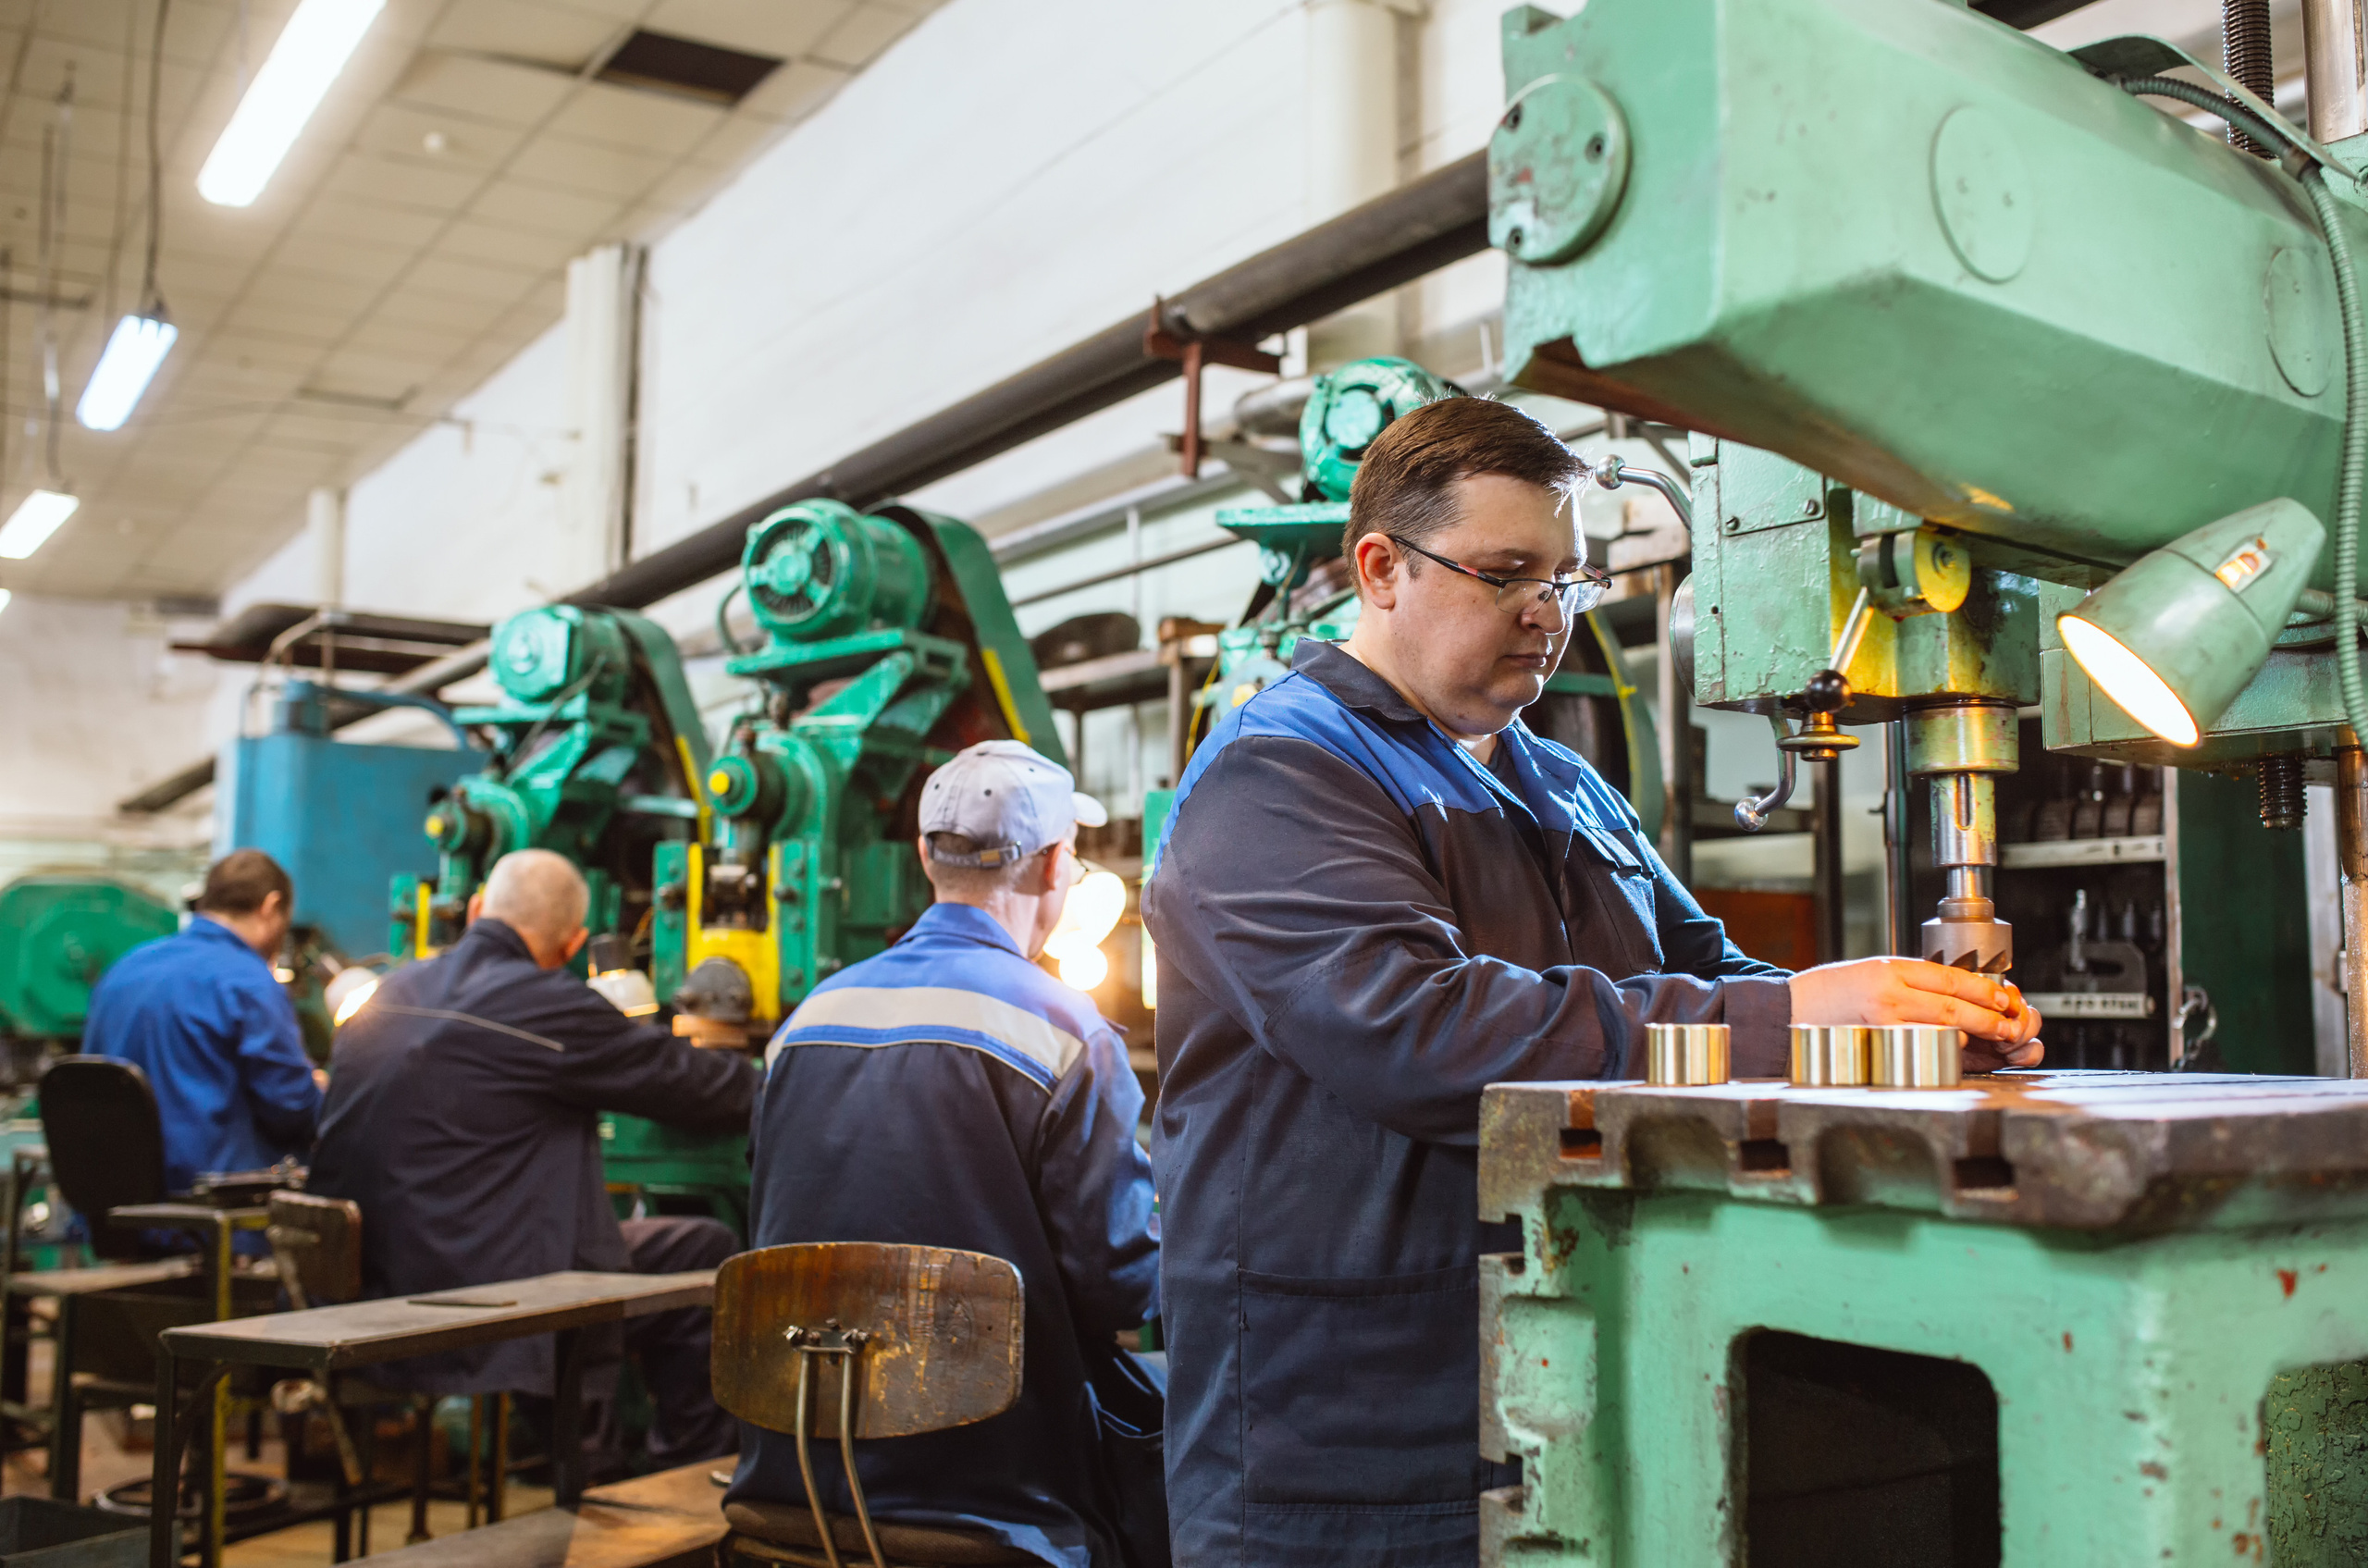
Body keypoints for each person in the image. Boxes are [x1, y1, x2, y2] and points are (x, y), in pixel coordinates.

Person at [1141, 395, 2045, 1566]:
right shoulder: (1278, 776)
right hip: (1354, 1448)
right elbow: (1425, 1038)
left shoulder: (1560, 778)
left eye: (1565, 580)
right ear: (1380, 568)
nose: (1546, 614)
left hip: (1571, 1384)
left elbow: (1703, 972)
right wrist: (1794, 1013)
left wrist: (1889, 1026)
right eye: (1507, 573)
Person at [728, 741, 1163, 1568]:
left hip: (793, 1480)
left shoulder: (805, 1022)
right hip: (1002, 1499)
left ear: (927, 855)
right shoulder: (1066, 1033)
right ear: (1055, 868)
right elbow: (1123, 1282)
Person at [308, 848, 757, 1470]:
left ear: (473, 909)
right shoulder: (547, 1005)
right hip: (483, 1291)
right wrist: (784, 1075)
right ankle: (658, 1489)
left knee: (612, 1242)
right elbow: (692, 1084)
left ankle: (593, 1461)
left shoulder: (387, 993)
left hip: (373, 1278)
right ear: (573, 943)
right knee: (705, 1250)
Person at [84, 848, 321, 1193]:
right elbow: (292, 1109)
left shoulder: (125, 968)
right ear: (271, 907)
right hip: (210, 1206)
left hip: (115, 1205)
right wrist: (320, 1092)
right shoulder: (247, 981)